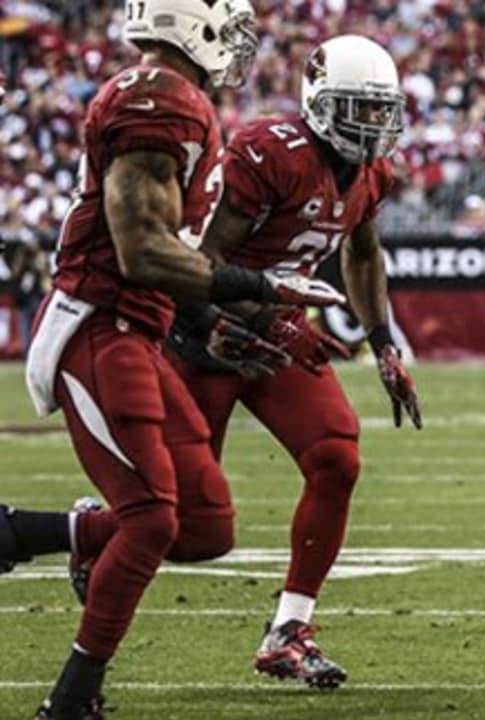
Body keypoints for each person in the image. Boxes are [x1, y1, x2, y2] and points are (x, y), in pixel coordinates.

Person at [0, 2, 345, 717]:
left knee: (204, 524)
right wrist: (263, 286)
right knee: (154, 519)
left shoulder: (171, 98)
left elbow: (166, 254)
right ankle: (71, 700)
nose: (240, 47)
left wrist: (212, 317)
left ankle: (25, 531)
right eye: (231, 28)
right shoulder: (162, 99)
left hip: (139, 328)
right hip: (100, 325)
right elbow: (141, 250)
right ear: (198, 25)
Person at [164, 34, 421, 688]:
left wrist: (384, 341)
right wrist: (264, 316)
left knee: (337, 454)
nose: (373, 125)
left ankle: (289, 630)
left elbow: (363, 254)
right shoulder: (268, 153)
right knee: (181, 520)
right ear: (319, 101)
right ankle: (88, 533)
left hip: (274, 335)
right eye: (358, 109)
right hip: (204, 335)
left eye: (380, 110)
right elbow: (200, 269)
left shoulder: (372, 172)